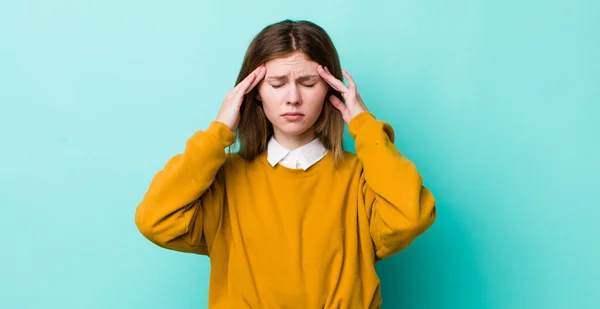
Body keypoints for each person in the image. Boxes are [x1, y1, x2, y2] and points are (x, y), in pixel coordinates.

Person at [135, 19, 436, 309]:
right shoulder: (225, 180)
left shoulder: (361, 178)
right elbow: (154, 221)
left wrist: (366, 127)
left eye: (308, 83)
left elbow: (411, 216)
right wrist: (218, 133)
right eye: (277, 83)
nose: (293, 98)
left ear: (330, 90)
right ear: (254, 93)